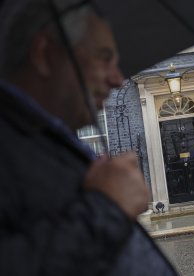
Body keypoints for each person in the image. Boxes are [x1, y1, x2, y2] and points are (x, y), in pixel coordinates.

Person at [0, 0, 176, 275]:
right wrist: (106, 207)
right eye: (104, 58)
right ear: (45, 53)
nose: (118, 79)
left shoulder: (41, 138)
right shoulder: (11, 144)